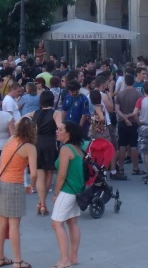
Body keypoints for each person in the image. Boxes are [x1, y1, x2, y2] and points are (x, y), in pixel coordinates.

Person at [0, 117, 38, 268]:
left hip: (1, 182)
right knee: (14, 225)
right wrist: (32, 185)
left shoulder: (11, 140)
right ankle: (18, 261)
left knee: (1, 222)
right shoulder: (29, 147)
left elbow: (1, 161)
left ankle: (0, 257)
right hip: (14, 184)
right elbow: (33, 173)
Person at [51, 121, 85, 268]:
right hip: (77, 190)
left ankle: (64, 260)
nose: (57, 131)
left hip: (67, 190)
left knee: (57, 223)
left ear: (68, 133)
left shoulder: (65, 149)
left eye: (60, 129)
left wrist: (55, 192)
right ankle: (73, 256)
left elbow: (61, 174)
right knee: (72, 222)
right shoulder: (78, 148)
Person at [29, 90, 59, 217]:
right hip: (51, 144)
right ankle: (42, 204)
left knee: (40, 176)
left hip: (38, 143)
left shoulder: (34, 113)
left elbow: (20, 120)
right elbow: (60, 126)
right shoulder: (55, 113)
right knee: (49, 175)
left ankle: (41, 204)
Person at [114, 77, 142, 179]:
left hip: (122, 122)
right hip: (134, 122)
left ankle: (121, 168)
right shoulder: (138, 94)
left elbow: (116, 109)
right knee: (133, 145)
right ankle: (135, 167)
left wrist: (124, 117)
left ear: (125, 83)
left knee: (122, 145)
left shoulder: (120, 94)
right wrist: (130, 116)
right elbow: (139, 110)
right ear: (133, 82)